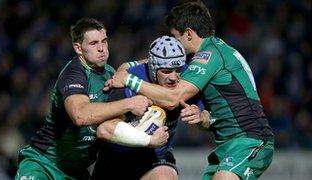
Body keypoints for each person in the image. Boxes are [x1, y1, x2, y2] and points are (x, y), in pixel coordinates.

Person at [105, 1, 275, 180]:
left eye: (175, 37)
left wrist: (130, 79)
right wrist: (129, 65)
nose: (173, 44)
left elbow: (173, 98)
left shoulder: (209, 55)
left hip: (250, 139)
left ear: (188, 34)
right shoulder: (212, 51)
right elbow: (160, 61)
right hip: (227, 145)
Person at [15, 18, 169, 180]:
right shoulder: (74, 74)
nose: (101, 48)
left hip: (77, 173)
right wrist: (129, 104)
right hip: (44, 164)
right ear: (78, 48)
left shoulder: (111, 74)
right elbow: (80, 115)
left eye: (104, 41)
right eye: (94, 43)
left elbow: (144, 65)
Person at [92, 35, 209, 180]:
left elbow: (208, 123)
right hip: (117, 156)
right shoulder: (127, 81)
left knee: (165, 176)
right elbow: (104, 130)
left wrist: (201, 117)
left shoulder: (187, 79)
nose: (173, 77)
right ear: (153, 68)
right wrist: (149, 140)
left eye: (177, 70)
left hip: (156, 156)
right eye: (166, 71)